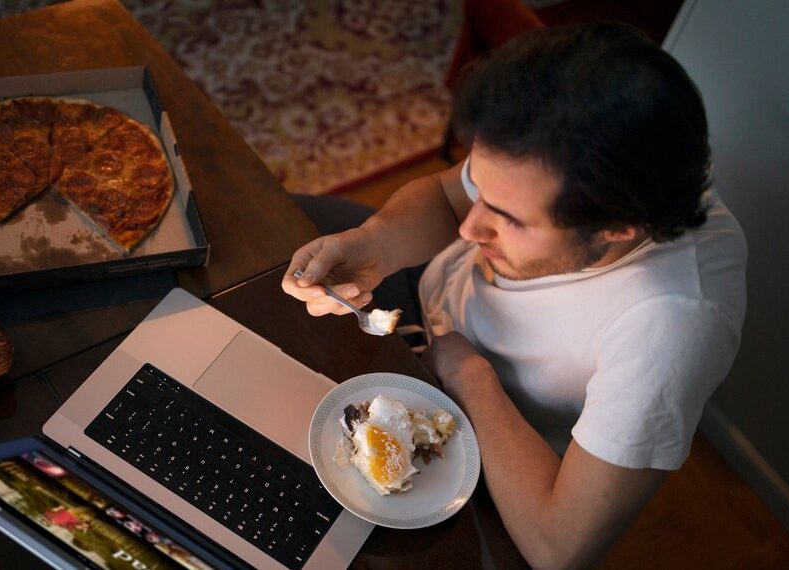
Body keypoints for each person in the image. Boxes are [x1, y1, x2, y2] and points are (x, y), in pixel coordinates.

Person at [282, 23, 747, 569]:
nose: (471, 229)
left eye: (506, 219)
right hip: (428, 309)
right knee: (277, 234)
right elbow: (446, 197)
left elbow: (558, 546)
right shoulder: (581, 154)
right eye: (483, 186)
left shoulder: (671, 327)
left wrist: (470, 377)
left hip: (494, 444)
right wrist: (375, 244)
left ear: (617, 227)